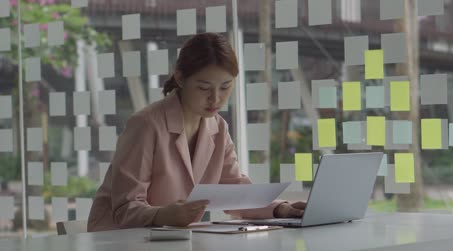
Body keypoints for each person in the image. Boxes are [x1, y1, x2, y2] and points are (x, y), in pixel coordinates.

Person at [87, 32, 306, 232]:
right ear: (180, 78)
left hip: (168, 244)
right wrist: (162, 214)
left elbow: (235, 192)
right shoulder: (146, 124)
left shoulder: (218, 127)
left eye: (225, 87)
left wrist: (280, 210)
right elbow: (125, 207)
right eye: (204, 88)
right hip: (117, 243)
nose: (216, 99)